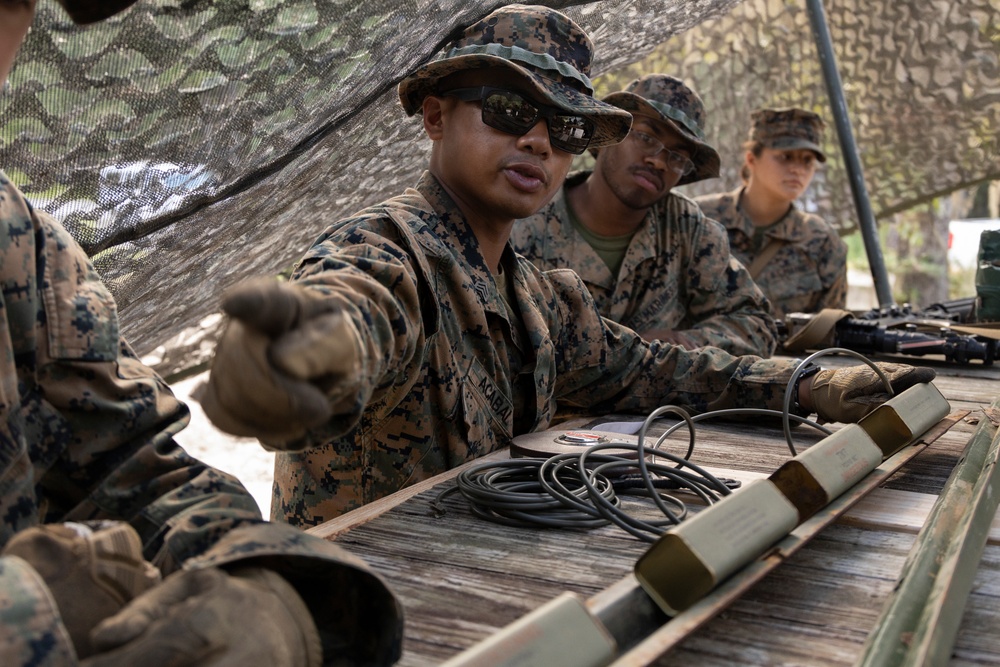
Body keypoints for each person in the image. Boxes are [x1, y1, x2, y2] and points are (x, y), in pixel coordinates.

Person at [198, 4, 935, 528]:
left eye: (567, 127)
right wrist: (306, 353)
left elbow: (657, 369)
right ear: (434, 116)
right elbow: (356, 308)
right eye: (509, 111)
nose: (541, 144)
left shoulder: (538, 298)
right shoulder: (389, 254)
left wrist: (811, 383)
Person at [0, 2, 401, 665]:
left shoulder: (21, 250)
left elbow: (132, 472)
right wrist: (27, 618)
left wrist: (265, 589)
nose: (539, 143)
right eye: (505, 112)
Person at [512, 74, 776, 357]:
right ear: (609, 135)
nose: (659, 161)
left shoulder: (686, 228)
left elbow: (757, 325)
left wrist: (679, 343)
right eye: (646, 137)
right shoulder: (526, 215)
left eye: (677, 157)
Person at [695, 107, 849, 320]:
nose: (797, 169)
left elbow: (827, 333)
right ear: (751, 159)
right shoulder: (699, 219)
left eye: (807, 160)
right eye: (785, 156)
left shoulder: (823, 242)